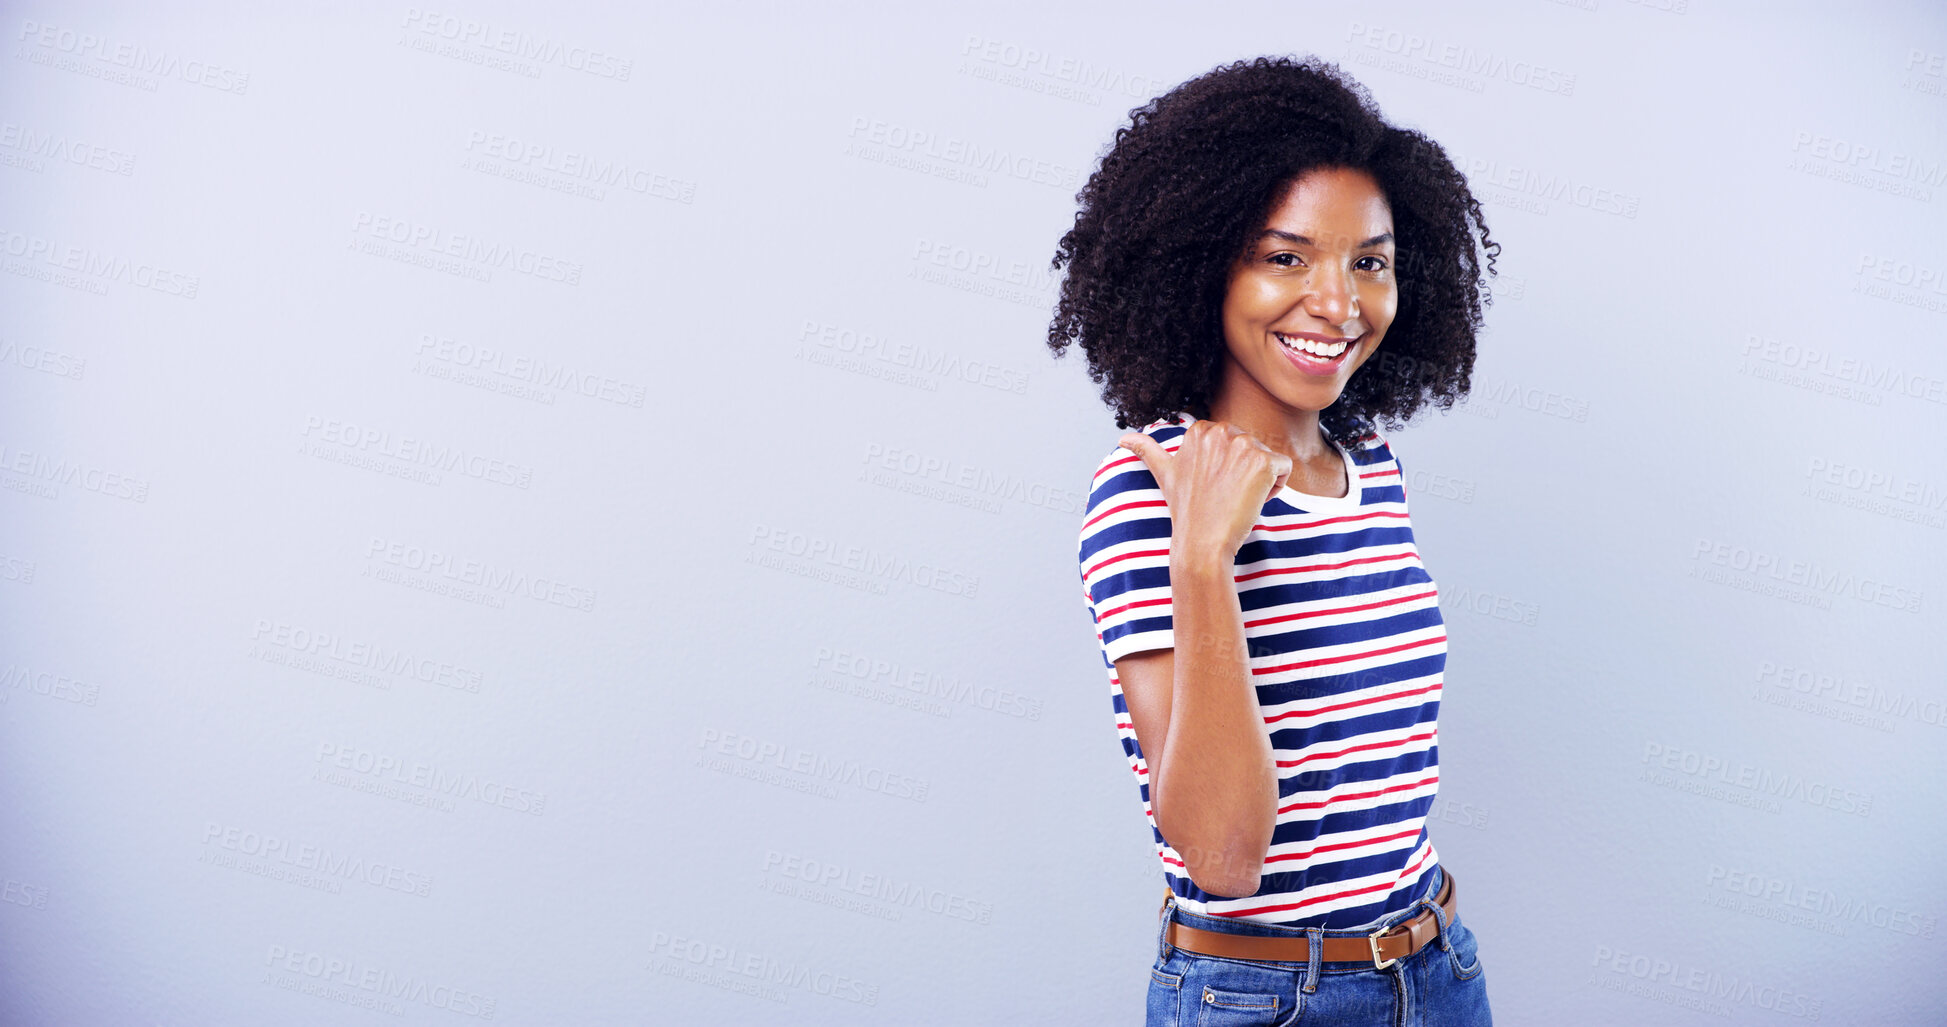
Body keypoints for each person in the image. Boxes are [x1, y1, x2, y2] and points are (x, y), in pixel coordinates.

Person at [1050, 55, 1500, 1026]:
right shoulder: (1147, 491)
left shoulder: (1370, 467)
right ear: (1203, 261)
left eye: (1367, 261)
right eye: (1285, 258)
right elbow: (1220, 854)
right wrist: (1204, 556)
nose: (1337, 303)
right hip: (1268, 998)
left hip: (1436, 969)